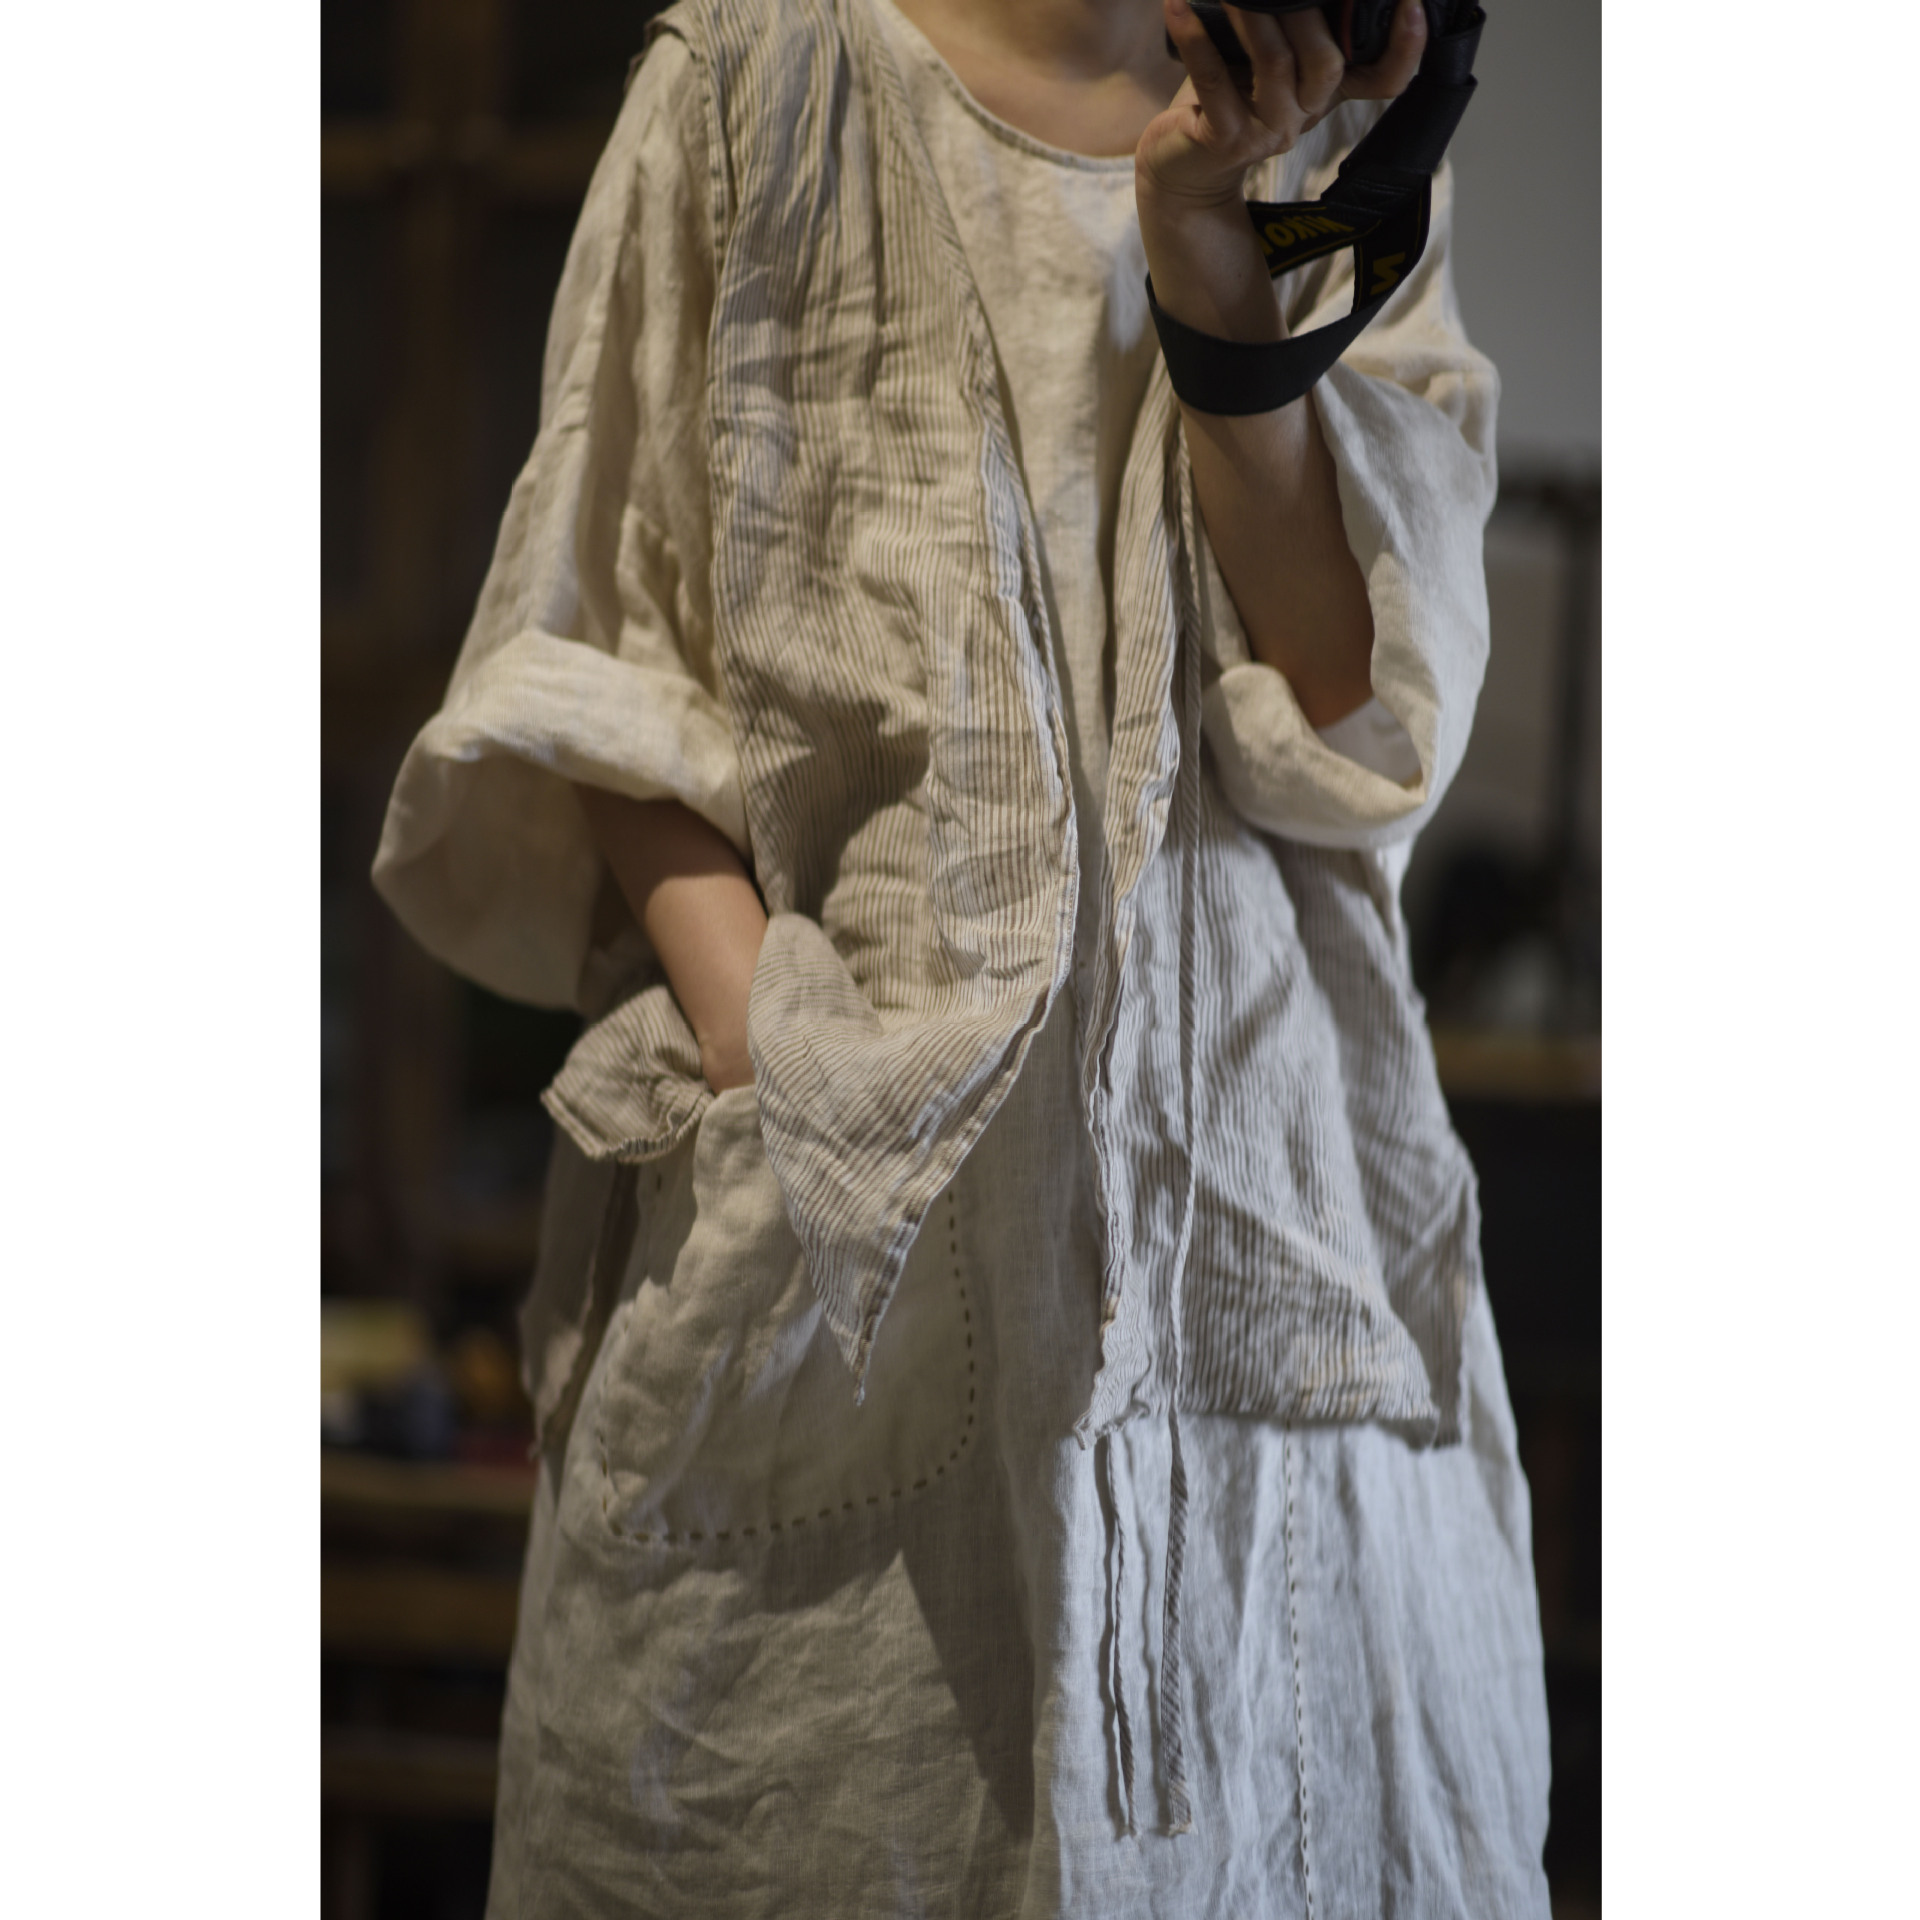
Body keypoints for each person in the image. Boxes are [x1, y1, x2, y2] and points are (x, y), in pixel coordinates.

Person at [373, 0, 1551, 1911]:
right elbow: (601, 664)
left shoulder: (1339, 130)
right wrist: (774, 1061)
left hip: (1259, 1287)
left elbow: (1357, 715)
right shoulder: (751, 85)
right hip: (833, 1292)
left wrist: (1214, 266)